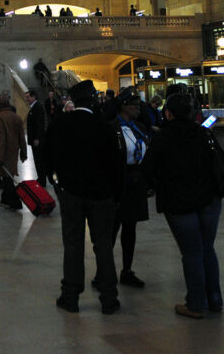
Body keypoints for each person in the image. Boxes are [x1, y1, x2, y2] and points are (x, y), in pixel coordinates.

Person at [142, 92, 224, 318]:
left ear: (168, 113)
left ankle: (196, 304)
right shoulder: (204, 133)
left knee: (191, 253)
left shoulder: (163, 137)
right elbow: (222, 161)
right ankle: (215, 299)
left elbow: (148, 170)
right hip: (209, 200)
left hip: (178, 202)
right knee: (207, 248)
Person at [45, 80, 123, 315]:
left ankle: (70, 296)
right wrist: (116, 194)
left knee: (73, 244)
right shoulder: (104, 126)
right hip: (101, 196)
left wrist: (57, 185)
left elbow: (48, 158)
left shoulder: (59, 124)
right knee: (103, 245)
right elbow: (116, 164)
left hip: (71, 194)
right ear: (92, 99)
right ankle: (109, 298)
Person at [110, 92, 150, 288]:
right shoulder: (112, 128)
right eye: (132, 104)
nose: (137, 107)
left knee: (130, 229)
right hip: (118, 182)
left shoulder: (139, 128)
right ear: (122, 106)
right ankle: (105, 270)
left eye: (137, 104)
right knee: (111, 230)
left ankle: (127, 269)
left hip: (136, 182)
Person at [0, 91, 27, 209]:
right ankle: (5, 199)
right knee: (9, 174)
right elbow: (21, 137)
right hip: (14, 150)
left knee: (7, 177)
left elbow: (0, 139)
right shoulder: (16, 117)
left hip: (4, 151)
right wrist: (24, 152)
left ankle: (15, 202)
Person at [25, 89, 48, 188]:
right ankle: (40, 177)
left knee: (39, 159)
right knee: (37, 159)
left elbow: (39, 124)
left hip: (37, 139)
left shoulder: (37, 107)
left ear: (34, 97)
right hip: (34, 138)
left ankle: (42, 180)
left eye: (28, 97)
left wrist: (37, 138)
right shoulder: (33, 107)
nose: (27, 99)